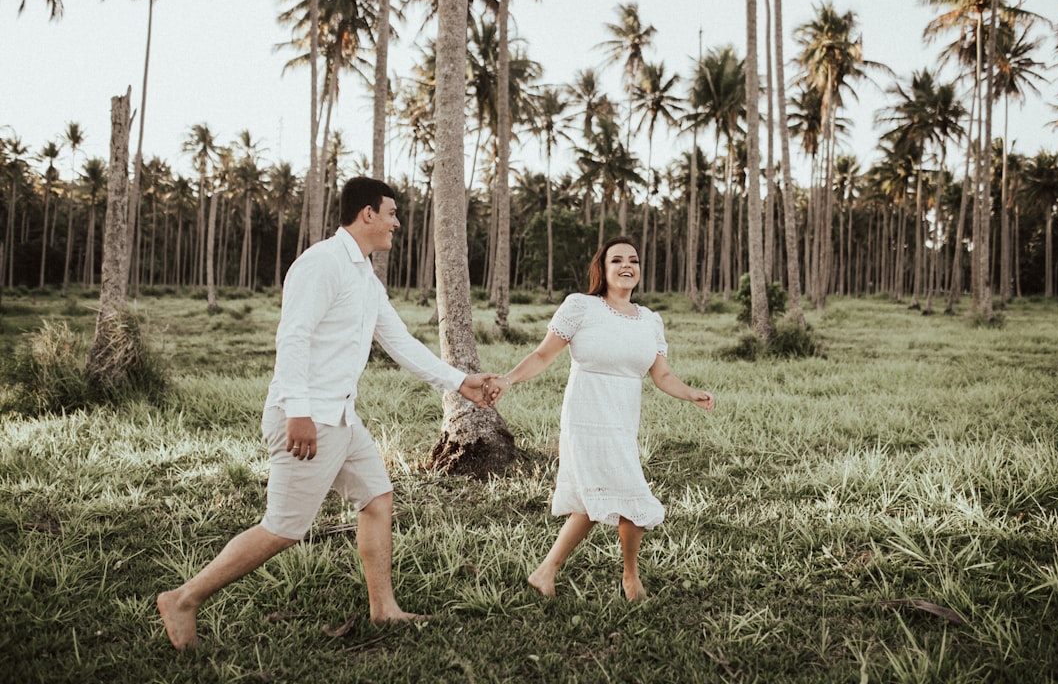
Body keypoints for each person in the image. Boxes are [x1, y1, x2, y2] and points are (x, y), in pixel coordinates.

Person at [157, 176, 499, 650]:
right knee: (282, 528)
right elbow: (293, 336)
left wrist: (460, 382)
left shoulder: (364, 275)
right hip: (308, 418)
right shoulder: (320, 264)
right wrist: (297, 411)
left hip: (341, 417)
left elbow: (398, 341)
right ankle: (183, 598)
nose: (397, 224)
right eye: (392, 213)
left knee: (378, 499)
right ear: (367, 215)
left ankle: (384, 609)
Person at [492, 236, 714, 602]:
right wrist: (507, 379)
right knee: (626, 494)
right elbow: (543, 354)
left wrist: (692, 393)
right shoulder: (581, 307)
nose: (627, 265)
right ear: (603, 268)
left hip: (622, 419)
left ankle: (545, 571)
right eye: (617, 260)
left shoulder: (650, 321)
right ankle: (631, 580)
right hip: (585, 416)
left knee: (596, 498)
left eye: (634, 260)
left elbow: (662, 376)